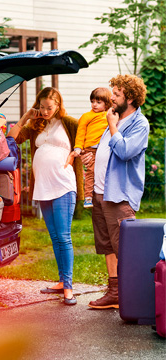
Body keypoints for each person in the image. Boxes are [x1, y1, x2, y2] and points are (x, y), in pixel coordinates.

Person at [66, 75, 149, 310]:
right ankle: (114, 292)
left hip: (119, 194)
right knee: (107, 245)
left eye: (117, 94)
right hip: (101, 192)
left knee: (125, 247)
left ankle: (134, 296)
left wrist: (112, 126)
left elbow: (124, 151)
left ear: (130, 98)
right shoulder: (114, 117)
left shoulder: (138, 124)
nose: (111, 97)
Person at [8, 87, 84, 306]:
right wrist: (24, 118)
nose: (45, 110)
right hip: (43, 187)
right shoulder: (36, 126)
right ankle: (61, 282)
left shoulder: (69, 123)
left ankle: (68, 287)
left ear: (58, 105)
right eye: (41, 107)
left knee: (64, 236)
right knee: (54, 237)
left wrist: (76, 152)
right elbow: (11, 140)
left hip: (63, 185)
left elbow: (87, 142)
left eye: (49, 107)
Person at [73, 87, 113, 208]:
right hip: (90, 149)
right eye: (92, 101)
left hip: (105, 149)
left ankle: (107, 193)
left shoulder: (110, 115)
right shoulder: (86, 116)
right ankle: (88, 197)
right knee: (91, 172)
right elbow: (80, 132)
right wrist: (78, 147)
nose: (94, 104)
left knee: (106, 171)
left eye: (98, 102)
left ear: (106, 103)